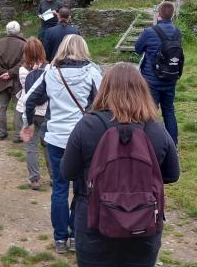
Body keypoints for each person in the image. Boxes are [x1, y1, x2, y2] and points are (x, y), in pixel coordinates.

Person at [60, 63, 180, 267]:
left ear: (104, 89)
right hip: (143, 222)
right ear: (143, 90)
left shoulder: (87, 125)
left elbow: (67, 171)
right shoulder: (156, 129)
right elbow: (172, 174)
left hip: (94, 219)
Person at [24, 34, 102, 254]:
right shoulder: (92, 72)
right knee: (81, 190)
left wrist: (28, 124)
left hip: (56, 139)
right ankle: (77, 235)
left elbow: (30, 99)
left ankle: (60, 238)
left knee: (59, 188)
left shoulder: (50, 72)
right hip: (83, 139)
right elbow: (104, 103)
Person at [135, 1, 182, 146]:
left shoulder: (149, 32)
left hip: (151, 80)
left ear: (158, 14)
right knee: (169, 111)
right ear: (172, 14)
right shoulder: (177, 32)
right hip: (170, 77)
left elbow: (137, 49)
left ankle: (150, 143)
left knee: (150, 112)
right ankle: (173, 144)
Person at [16, 37, 48, 190]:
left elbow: (25, 89)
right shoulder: (50, 69)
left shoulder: (22, 70)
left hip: (28, 110)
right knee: (48, 145)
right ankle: (55, 177)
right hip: (45, 111)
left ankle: (34, 178)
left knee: (31, 146)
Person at [0, 21, 27, 141]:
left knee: (2, 107)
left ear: (6, 30)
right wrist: (10, 73)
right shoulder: (23, 44)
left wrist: (2, 72)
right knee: (17, 107)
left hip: (2, 80)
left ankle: (1, 132)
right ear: (19, 31)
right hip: (17, 80)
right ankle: (18, 135)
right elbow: (23, 62)